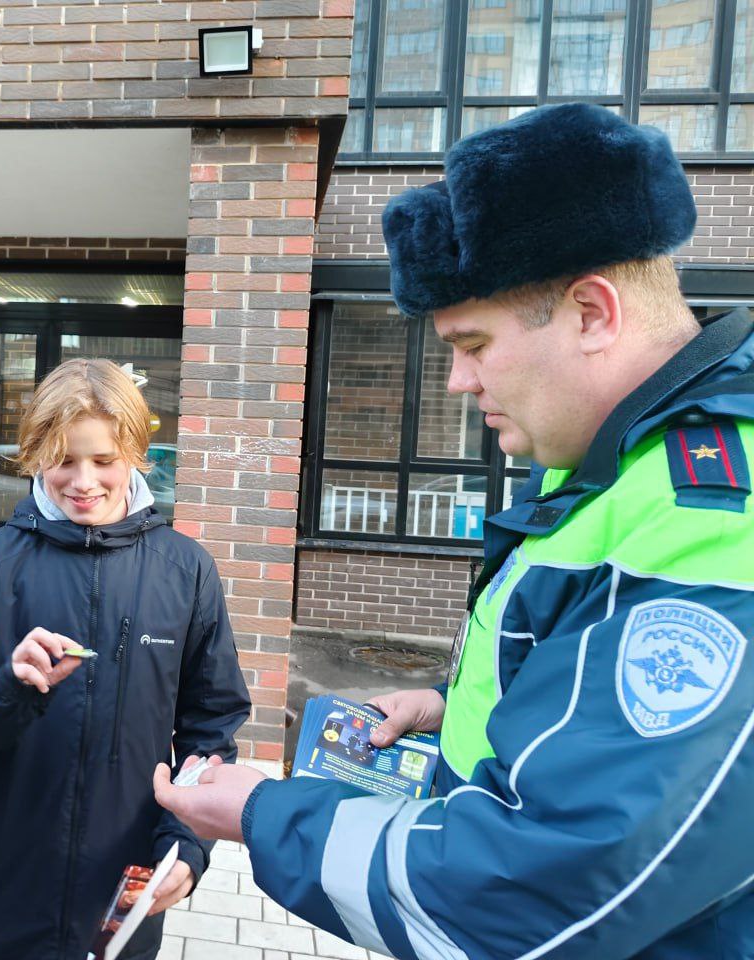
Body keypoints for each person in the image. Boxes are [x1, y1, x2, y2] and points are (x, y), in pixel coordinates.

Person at [154, 102, 754, 959]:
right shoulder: (612, 462)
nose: (455, 384)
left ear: (592, 312)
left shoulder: (715, 520)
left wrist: (259, 810)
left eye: (472, 343)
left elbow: (536, 891)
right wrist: (447, 709)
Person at [0, 358, 251, 960]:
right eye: (63, 459)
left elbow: (209, 732)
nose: (83, 480)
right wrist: (9, 687)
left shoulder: (186, 571)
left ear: (136, 452)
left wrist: (184, 850)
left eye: (104, 459)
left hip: (118, 901)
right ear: (36, 456)